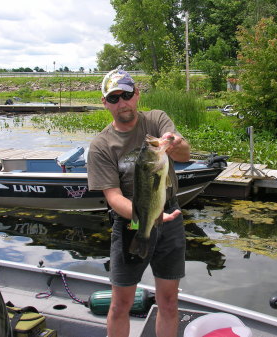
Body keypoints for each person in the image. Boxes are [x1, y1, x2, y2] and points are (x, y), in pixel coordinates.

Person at [87, 68, 190, 337]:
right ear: (105, 103)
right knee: (121, 303)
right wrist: (146, 218)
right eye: (114, 98)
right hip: (129, 222)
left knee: (168, 301)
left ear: (137, 95)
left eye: (127, 94)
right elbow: (113, 198)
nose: (122, 102)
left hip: (170, 216)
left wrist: (174, 142)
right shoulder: (101, 145)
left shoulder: (156, 120)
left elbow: (183, 152)